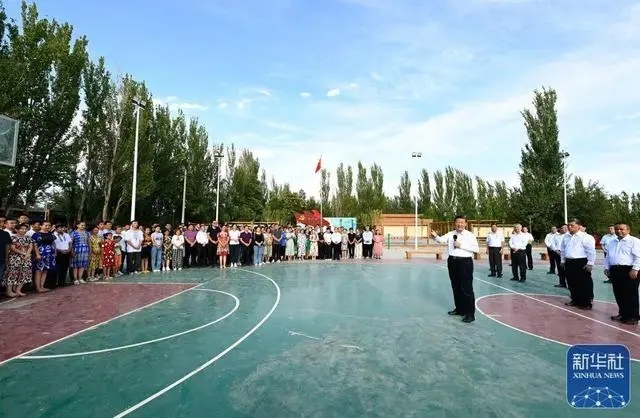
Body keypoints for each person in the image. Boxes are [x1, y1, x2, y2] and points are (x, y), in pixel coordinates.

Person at [430, 215, 480, 323]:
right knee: (456, 287)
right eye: (458, 222)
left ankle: (470, 314)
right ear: (454, 223)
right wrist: (435, 236)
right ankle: (459, 309)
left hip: (465, 262)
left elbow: (476, 249)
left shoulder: (470, 235)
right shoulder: (451, 234)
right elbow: (441, 240)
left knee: (466, 288)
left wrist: (461, 245)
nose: (459, 224)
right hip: (452, 261)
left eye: (462, 222)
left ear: (465, 224)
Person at [603, 222, 640, 324]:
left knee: (630, 294)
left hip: (629, 270)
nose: (619, 231)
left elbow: (638, 256)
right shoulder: (612, 242)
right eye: (617, 229)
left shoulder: (634, 241)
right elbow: (608, 256)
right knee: (619, 293)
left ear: (628, 230)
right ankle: (623, 313)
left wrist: (635, 269)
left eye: (621, 229)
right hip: (615, 270)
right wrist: (607, 268)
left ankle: (633, 317)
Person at [560, 219, 596, 309]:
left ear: (579, 226)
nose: (569, 227)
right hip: (569, 261)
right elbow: (563, 250)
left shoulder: (586, 237)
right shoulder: (566, 237)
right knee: (571, 282)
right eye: (568, 225)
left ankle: (586, 302)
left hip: (581, 262)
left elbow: (591, 251)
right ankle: (575, 299)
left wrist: (590, 263)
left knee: (584, 283)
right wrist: (563, 261)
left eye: (572, 225)